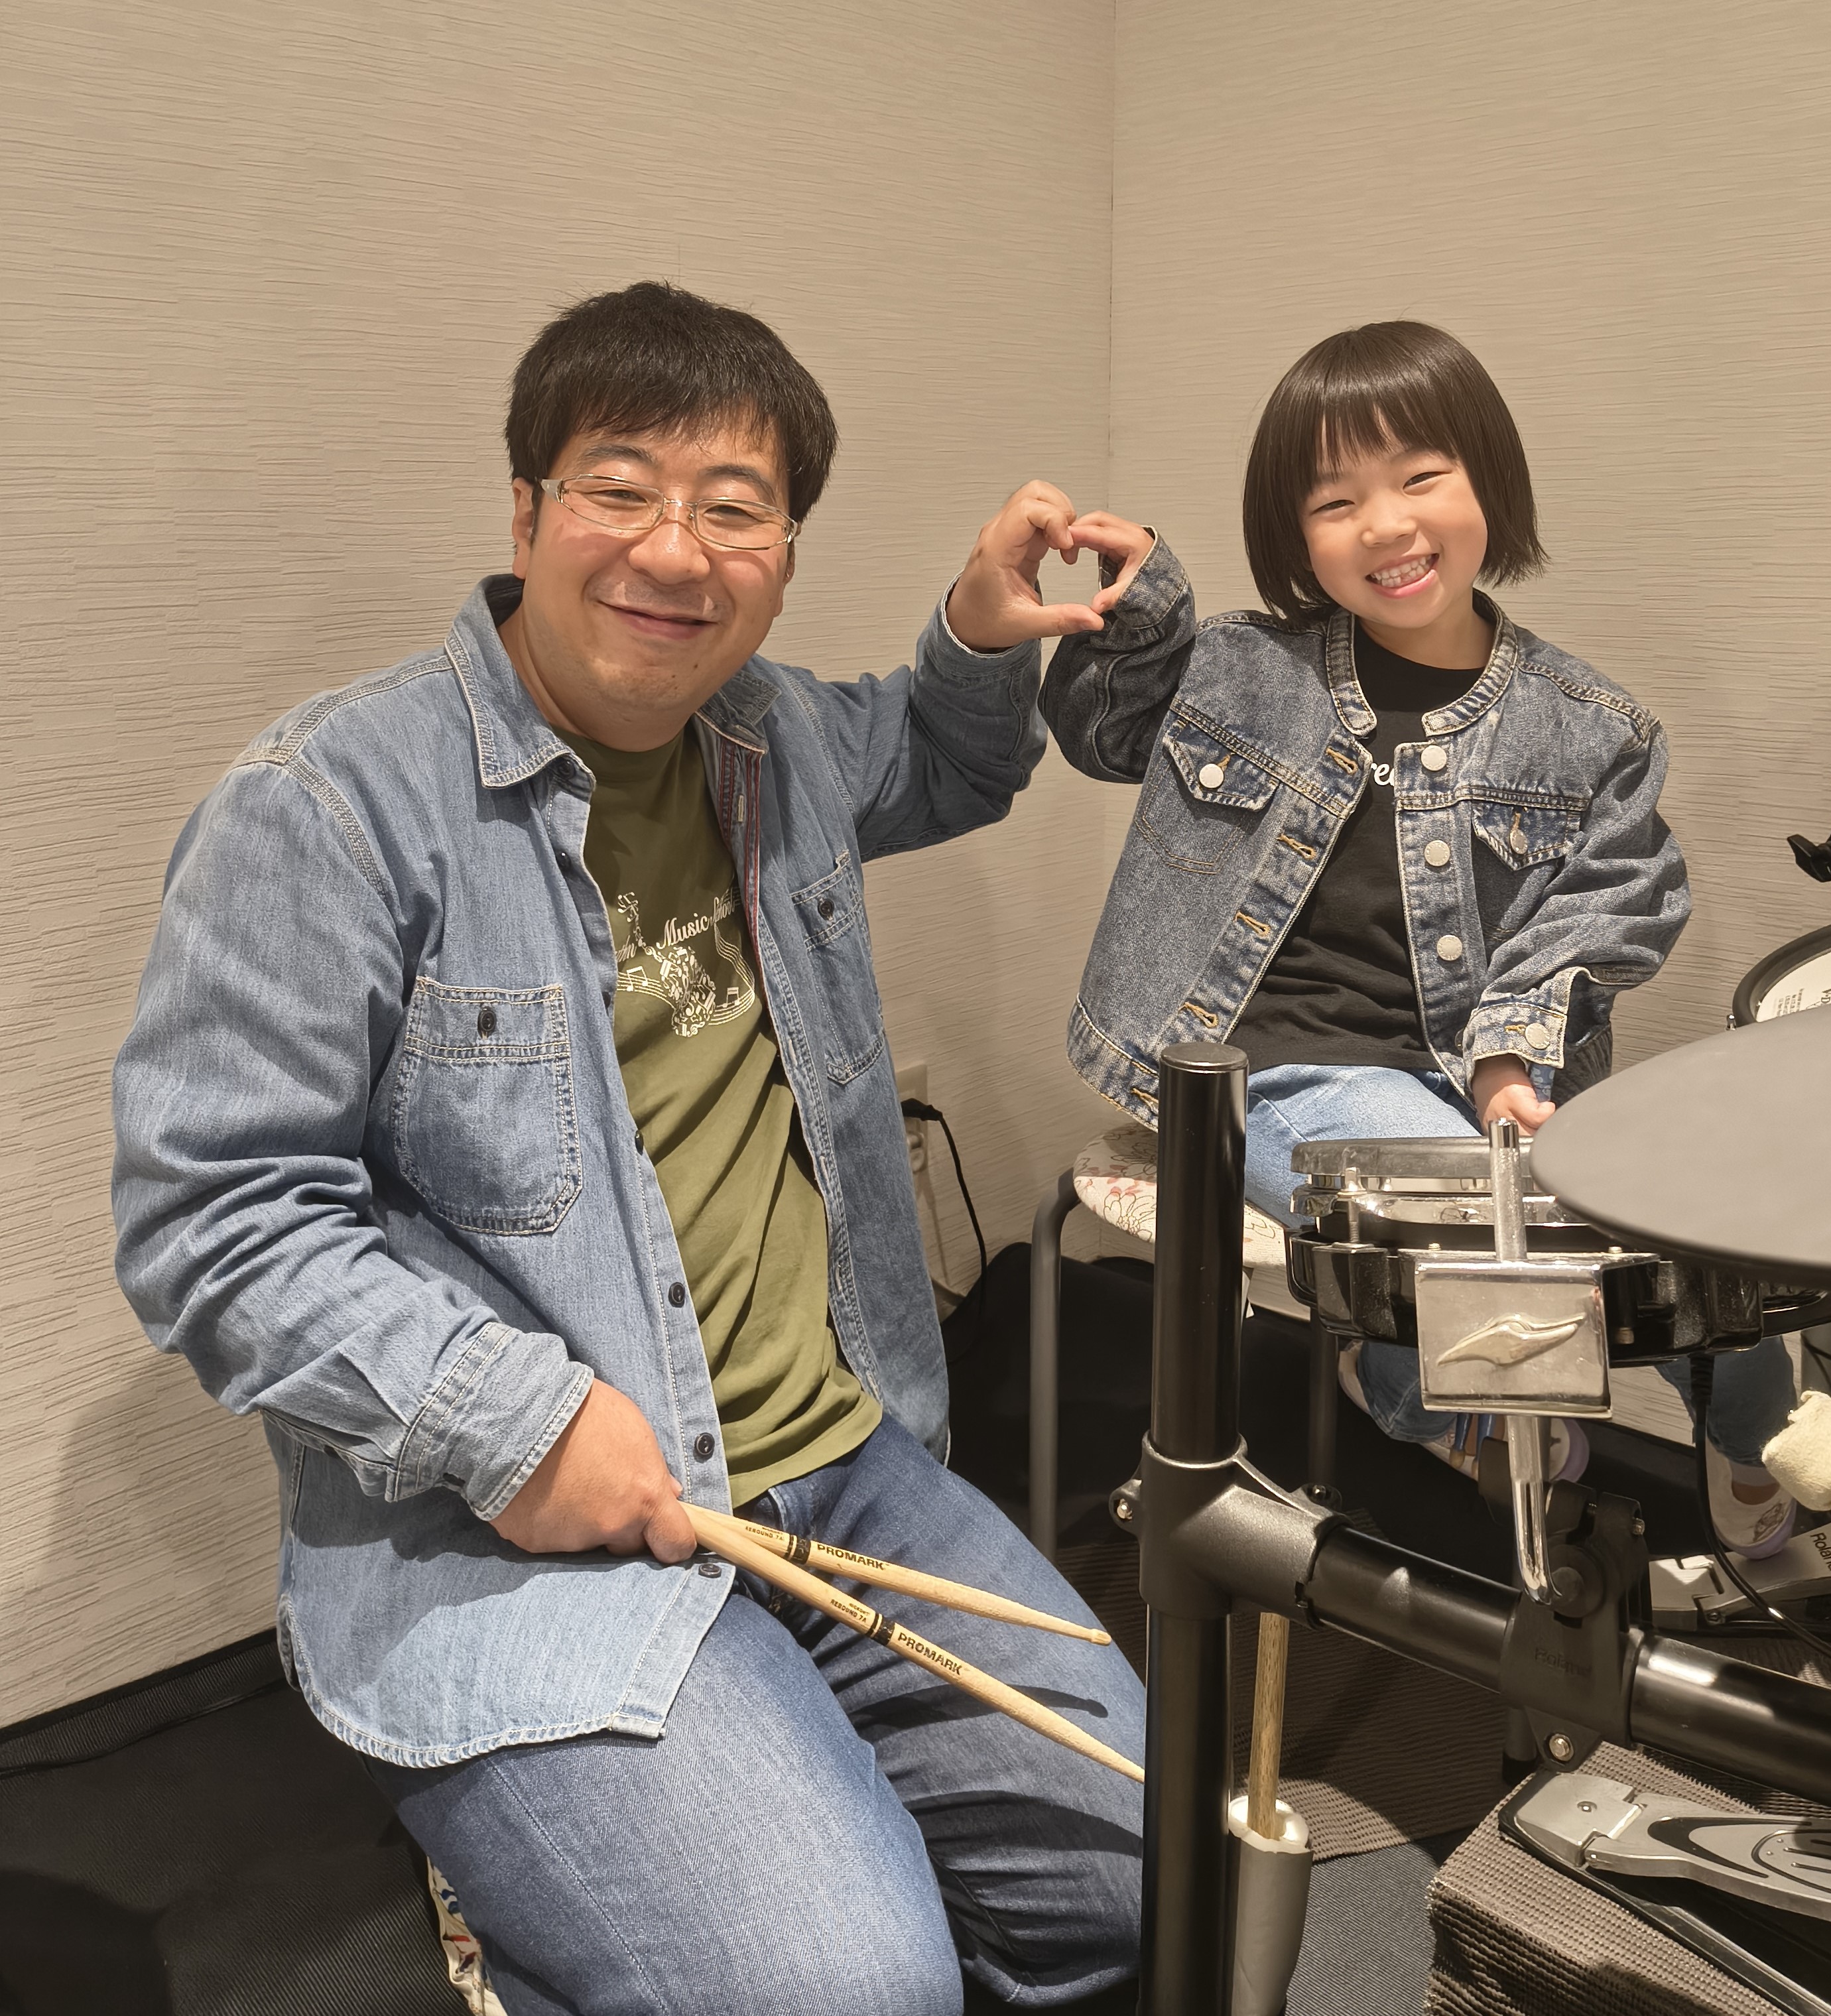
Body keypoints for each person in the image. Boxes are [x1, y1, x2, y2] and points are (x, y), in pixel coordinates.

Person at [111, 282, 1145, 2015]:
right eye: (620, 489)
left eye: (736, 508)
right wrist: (512, 1421)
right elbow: (213, 1221)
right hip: (527, 1536)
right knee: (847, 1992)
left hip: (849, 1462)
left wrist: (977, 632)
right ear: (526, 511)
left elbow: (938, 763)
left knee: (1145, 1888)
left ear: (784, 556)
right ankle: (529, 1906)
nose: (676, 549)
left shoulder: (777, 737)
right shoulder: (331, 803)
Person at [1036, 320, 1796, 1558]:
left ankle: (1751, 1433)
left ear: (1489, 482)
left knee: (1692, 1226)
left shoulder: (1592, 727)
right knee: (1489, 1245)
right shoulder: (1240, 667)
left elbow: (1618, 896)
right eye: (1335, 502)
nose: (1385, 526)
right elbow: (1104, 733)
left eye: (1421, 478)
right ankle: (1428, 1399)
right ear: (1295, 535)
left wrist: (1508, 1051)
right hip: (1265, 1070)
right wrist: (1145, 601)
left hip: (1471, 1076)